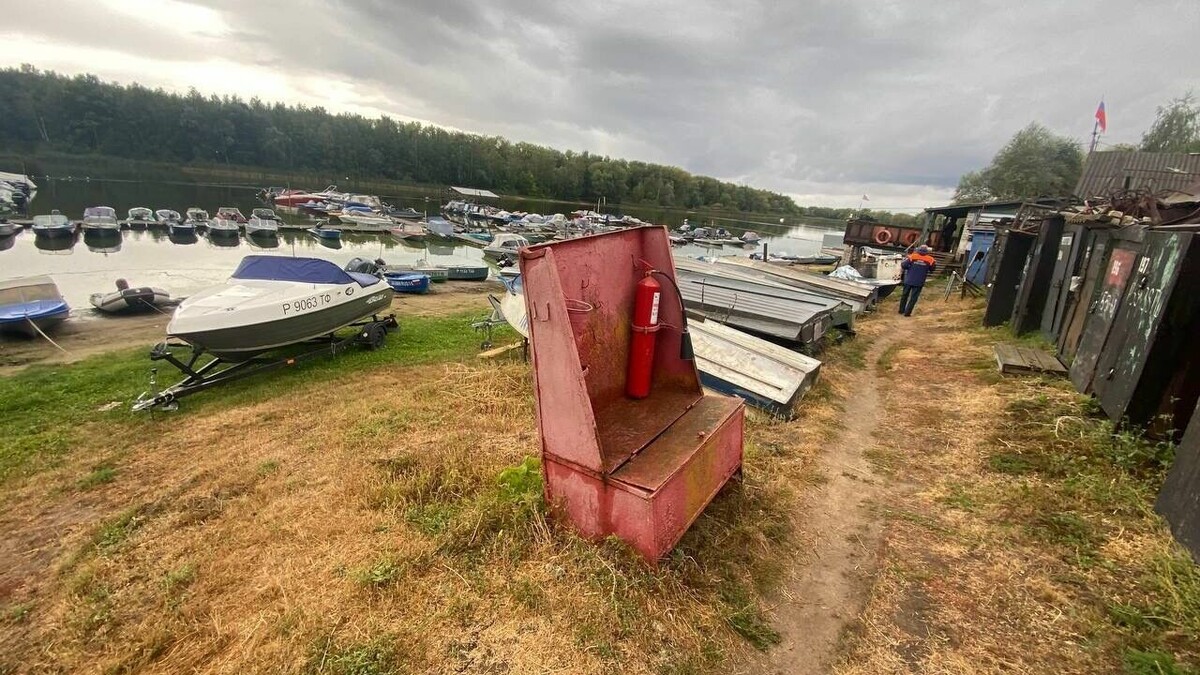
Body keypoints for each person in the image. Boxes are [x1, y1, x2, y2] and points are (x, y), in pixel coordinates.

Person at [898, 245, 936, 316]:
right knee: (913, 297)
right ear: (927, 251)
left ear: (918, 250)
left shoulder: (912, 256)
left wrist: (909, 267)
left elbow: (903, 265)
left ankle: (901, 310)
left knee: (904, 295)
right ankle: (907, 313)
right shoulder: (930, 259)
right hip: (919, 281)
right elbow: (932, 269)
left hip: (909, 280)